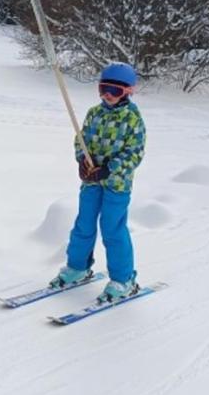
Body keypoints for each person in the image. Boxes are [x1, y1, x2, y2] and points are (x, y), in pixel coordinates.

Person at [49, 62, 147, 304]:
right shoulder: (95, 113)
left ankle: (124, 280)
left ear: (127, 92)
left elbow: (135, 154)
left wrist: (109, 170)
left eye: (114, 91)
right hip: (91, 182)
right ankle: (77, 267)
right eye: (103, 89)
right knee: (83, 224)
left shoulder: (133, 119)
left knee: (112, 229)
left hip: (117, 185)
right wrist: (82, 160)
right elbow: (80, 139)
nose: (107, 96)